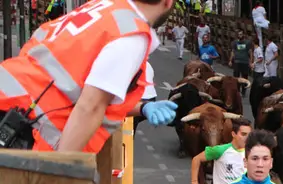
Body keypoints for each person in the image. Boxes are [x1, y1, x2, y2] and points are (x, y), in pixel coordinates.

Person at [0, 0, 178, 153]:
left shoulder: (105, 8)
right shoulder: (132, 36)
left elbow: (74, 86)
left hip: (10, 105)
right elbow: (90, 107)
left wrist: (143, 107)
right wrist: (60, 170)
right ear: (167, 2)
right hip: (21, 130)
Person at [190, 117, 252, 184]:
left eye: (249, 135)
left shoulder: (253, 154)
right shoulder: (220, 150)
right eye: (243, 134)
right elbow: (196, 159)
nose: (247, 138)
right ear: (233, 134)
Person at [229, 30, 254, 95]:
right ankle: (237, 90)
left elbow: (250, 52)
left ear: (243, 35)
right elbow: (233, 52)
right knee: (236, 77)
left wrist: (250, 62)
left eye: (241, 34)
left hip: (245, 62)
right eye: (239, 34)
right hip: (237, 62)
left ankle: (243, 91)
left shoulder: (247, 42)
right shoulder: (234, 43)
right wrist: (230, 60)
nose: (240, 35)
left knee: (244, 77)